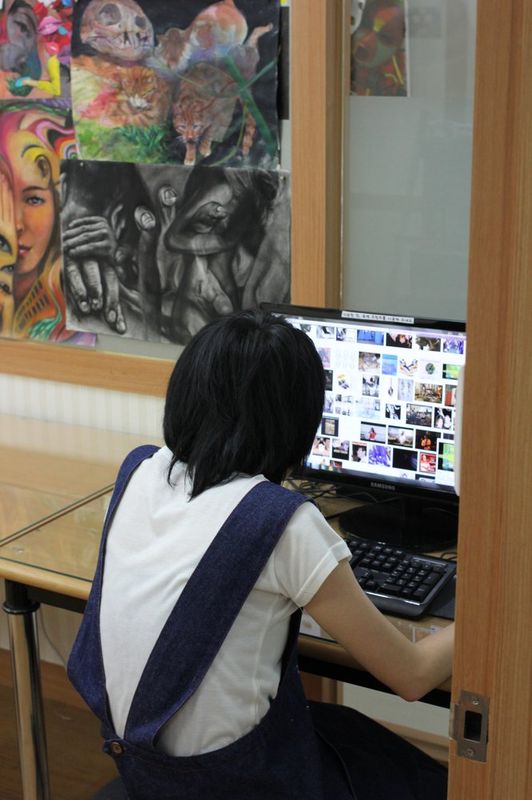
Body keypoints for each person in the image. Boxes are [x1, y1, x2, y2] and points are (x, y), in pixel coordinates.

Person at [68, 310, 452, 800]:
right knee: (430, 777)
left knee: (342, 725)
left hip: (148, 771)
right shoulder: (281, 521)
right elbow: (413, 676)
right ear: (296, 421)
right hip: (237, 784)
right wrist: (489, 619)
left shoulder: (139, 471)